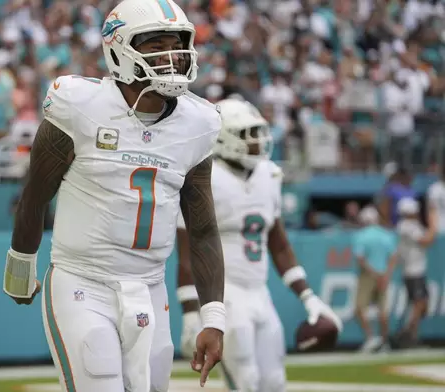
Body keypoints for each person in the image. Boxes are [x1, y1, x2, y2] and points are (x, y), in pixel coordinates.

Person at [3, 0, 226, 390]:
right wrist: (21, 264)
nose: (172, 56)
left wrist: (213, 317)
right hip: (82, 281)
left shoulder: (199, 122)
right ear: (120, 48)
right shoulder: (80, 105)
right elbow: (37, 194)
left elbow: (203, 228)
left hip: (150, 287)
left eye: (177, 44)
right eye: (156, 45)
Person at [176, 98, 342, 392]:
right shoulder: (204, 176)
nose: (257, 142)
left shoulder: (269, 174)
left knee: (275, 382)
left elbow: (278, 245)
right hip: (224, 295)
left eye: (258, 132)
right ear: (223, 137)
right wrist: (191, 311)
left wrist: (308, 297)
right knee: (246, 381)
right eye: (246, 134)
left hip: (259, 293)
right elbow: (190, 252)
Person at [353, 205, 398, 353]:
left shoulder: (361, 235)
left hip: (368, 276)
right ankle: (384, 342)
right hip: (384, 275)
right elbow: (393, 257)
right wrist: (385, 275)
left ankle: (371, 338)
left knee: (359, 308)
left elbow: (360, 259)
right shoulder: (387, 235)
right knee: (382, 311)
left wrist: (374, 274)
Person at [394, 197, 433, 348]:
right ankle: (407, 333)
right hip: (413, 270)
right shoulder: (406, 226)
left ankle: (412, 336)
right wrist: (434, 227)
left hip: (416, 269)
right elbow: (425, 240)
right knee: (420, 303)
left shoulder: (411, 225)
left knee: (420, 304)